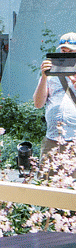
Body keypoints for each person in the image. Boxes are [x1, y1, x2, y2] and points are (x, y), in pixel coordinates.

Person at [32, 32, 76, 170]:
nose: (65, 55)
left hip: (75, 141)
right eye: (63, 51)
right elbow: (38, 104)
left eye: (70, 52)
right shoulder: (52, 74)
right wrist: (44, 77)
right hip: (52, 140)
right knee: (48, 183)